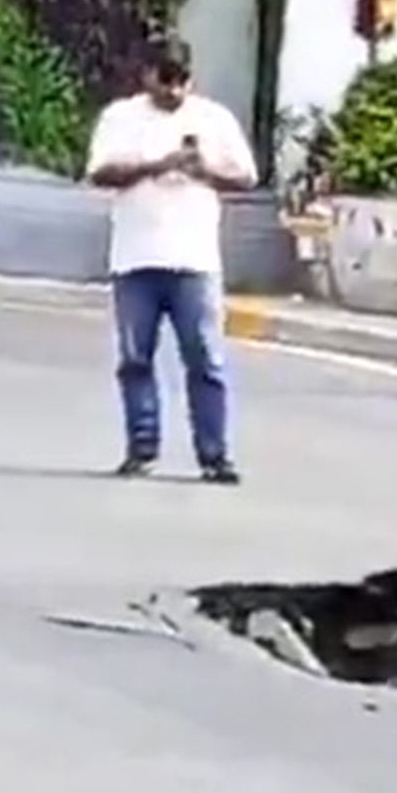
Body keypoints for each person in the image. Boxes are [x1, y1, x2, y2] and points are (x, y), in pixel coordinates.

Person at [84, 34, 258, 482]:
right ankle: (142, 448)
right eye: (165, 81)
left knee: (205, 360)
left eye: (182, 81)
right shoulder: (121, 118)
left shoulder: (213, 119)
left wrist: (204, 170)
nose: (175, 91)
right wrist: (156, 165)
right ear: (146, 77)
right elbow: (100, 172)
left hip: (194, 259)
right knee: (135, 359)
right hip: (136, 257)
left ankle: (214, 455)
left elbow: (246, 177)